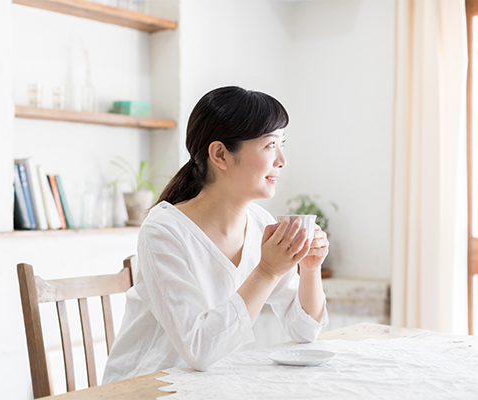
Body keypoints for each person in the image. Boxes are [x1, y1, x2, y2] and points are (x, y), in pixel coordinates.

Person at [102, 86, 329, 383]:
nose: (282, 160)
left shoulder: (260, 223)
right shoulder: (164, 231)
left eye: (281, 144)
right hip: (148, 386)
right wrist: (267, 271)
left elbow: (305, 332)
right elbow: (199, 350)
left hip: (215, 384)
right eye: (270, 145)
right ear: (220, 154)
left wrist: (309, 269)